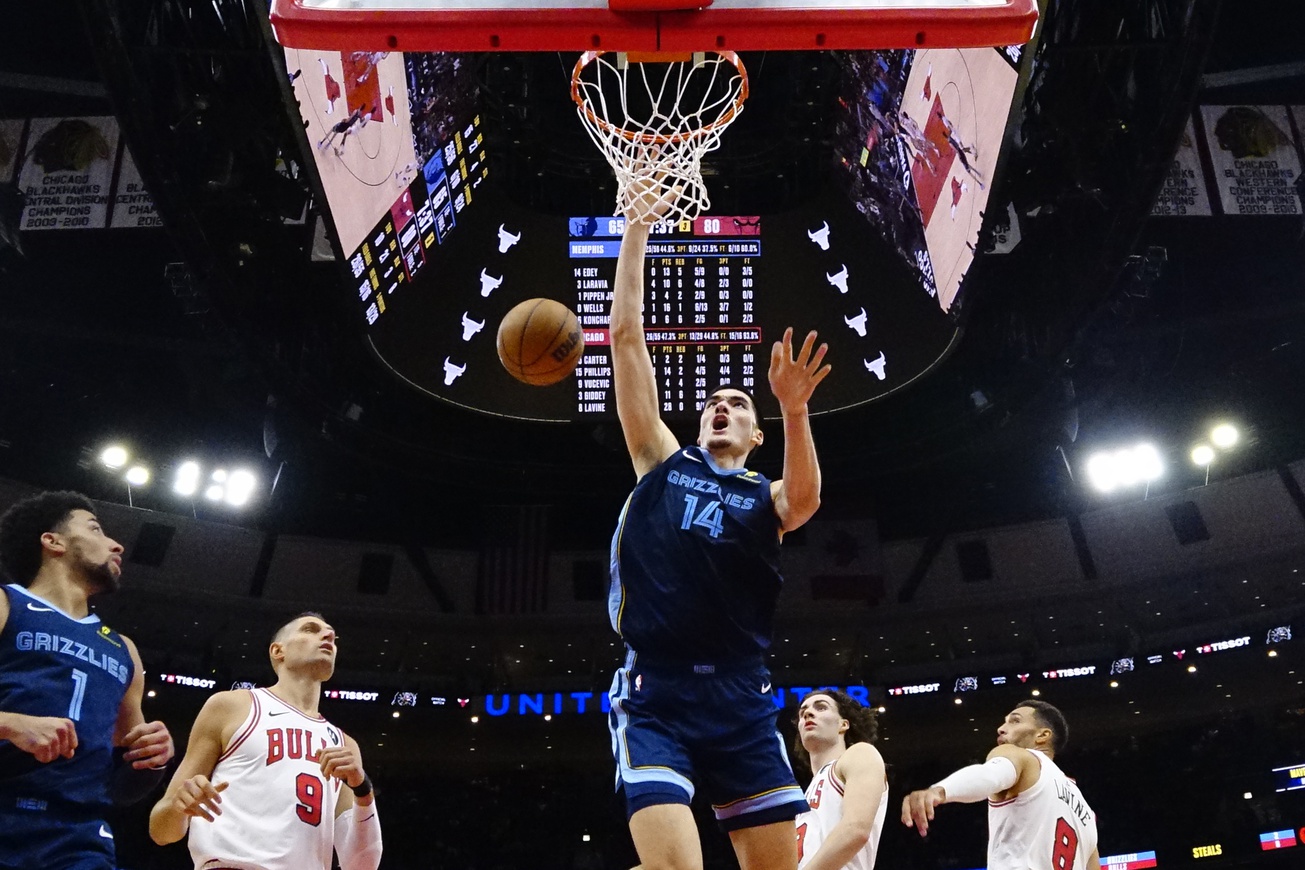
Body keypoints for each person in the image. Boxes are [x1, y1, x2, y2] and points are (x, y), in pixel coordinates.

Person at [607, 181, 831, 870]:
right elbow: (624, 339)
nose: (720, 408)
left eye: (736, 403)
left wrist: (793, 410)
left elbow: (804, 502)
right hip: (658, 690)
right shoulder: (660, 462)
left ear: (755, 433)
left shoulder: (764, 495)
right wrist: (639, 226)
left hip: (740, 691)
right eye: (711, 402)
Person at [0, 491, 175, 870]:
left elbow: (126, 783)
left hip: (78, 837)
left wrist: (153, 759)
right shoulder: (6, 604)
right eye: (95, 528)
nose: (117, 544)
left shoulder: (123, 649)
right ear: (53, 541)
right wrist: (9, 723)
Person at [149, 612, 381, 870]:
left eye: (331, 635)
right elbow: (161, 830)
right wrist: (181, 807)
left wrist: (363, 790)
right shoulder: (232, 706)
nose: (327, 636)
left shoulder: (344, 745)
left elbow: (361, 865)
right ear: (277, 651)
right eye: (310, 629)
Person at [901, 699, 1100, 870]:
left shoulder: (1022, 757)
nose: (1001, 728)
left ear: (1042, 735)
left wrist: (940, 790)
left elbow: (990, 774)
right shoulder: (1087, 814)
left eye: (1015, 721)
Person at [793, 690, 888, 870]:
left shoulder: (860, 753)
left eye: (821, 707)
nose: (808, 713)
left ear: (843, 724)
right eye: (802, 712)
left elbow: (856, 830)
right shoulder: (804, 795)